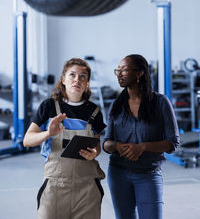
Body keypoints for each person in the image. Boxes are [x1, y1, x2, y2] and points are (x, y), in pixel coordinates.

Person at [23, 58, 106, 219]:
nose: (77, 79)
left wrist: (94, 153)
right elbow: (27, 140)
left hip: (87, 188)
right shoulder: (49, 107)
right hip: (55, 187)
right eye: (72, 75)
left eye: (83, 76)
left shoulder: (94, 111)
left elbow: (97, 145)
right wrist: (48, 133)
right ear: (63, 80)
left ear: (87, 83)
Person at [103, 54, 180, 219]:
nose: (119, 74)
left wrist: (143, 147)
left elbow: (173, 142)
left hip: (148, 174)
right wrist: (116, 146)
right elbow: (106, 143)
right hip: (118, 174)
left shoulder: (160, 102)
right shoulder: (116, 106)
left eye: (124, 70)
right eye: (117, 70)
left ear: (139, 73)